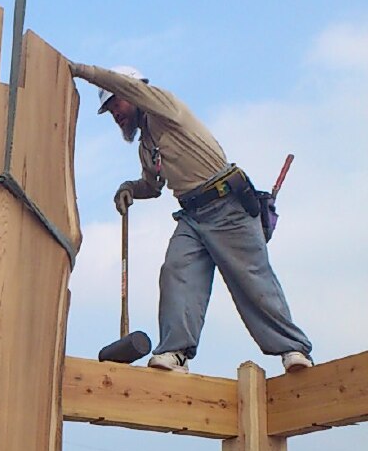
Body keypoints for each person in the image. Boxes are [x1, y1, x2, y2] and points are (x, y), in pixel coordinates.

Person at [68, 62, 313, 374]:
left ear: (134, 91)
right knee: (177, 272)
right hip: (193, 216)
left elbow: (130, 88)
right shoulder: (148, 144)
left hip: (226, 205)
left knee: (251, 280)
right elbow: (153, 186)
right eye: (110, 108)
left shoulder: (162, 106)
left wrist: (82, 71)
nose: (114, 112)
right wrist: (130, 188)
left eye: (116, 101)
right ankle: (175, 354)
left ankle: (293, 349)